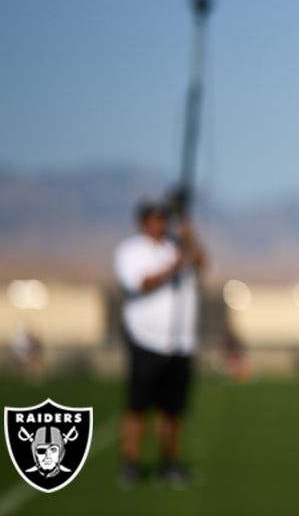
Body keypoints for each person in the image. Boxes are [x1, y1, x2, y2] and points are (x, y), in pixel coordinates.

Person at [113, 199, 206, 488]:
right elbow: (138, 283)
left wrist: (189, 236)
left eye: (164, 219)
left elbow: (203, 264)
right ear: (143, 222)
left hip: (179, 342)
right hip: (145, 339)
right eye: (155, 219)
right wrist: (172, 269)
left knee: (172, 409)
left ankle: (169, 463)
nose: (161, 224)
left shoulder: (178, 248)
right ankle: (130, 464)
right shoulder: (131, 251)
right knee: (137, 406)